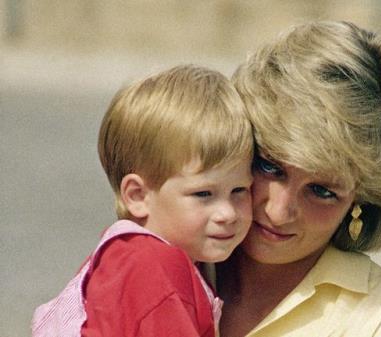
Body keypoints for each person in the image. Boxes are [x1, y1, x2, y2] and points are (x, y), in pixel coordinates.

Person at [216, 21, 381, 337]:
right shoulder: (164, 257)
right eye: (269, 167)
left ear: (360, 201)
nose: (278, 211)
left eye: (321, 191)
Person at [32, 65, 254, 337]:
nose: (227, 213)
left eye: (240, 190)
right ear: (138, 196)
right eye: (204, 194)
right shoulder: (156, 270)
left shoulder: (122, 252)